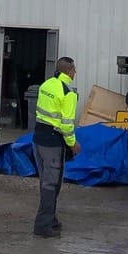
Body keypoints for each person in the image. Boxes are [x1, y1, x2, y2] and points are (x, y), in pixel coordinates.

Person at [32, 56, 81, 238]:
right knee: (52, 183)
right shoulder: (68, 92)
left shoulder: (47, 85)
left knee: (46, 180)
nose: (75, 73)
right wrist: (72, 144)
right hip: (53, 142)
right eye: (74, 70)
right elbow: (67, 124)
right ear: (69, 71)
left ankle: (50, 218)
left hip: (38, 138)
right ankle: (43, 225)